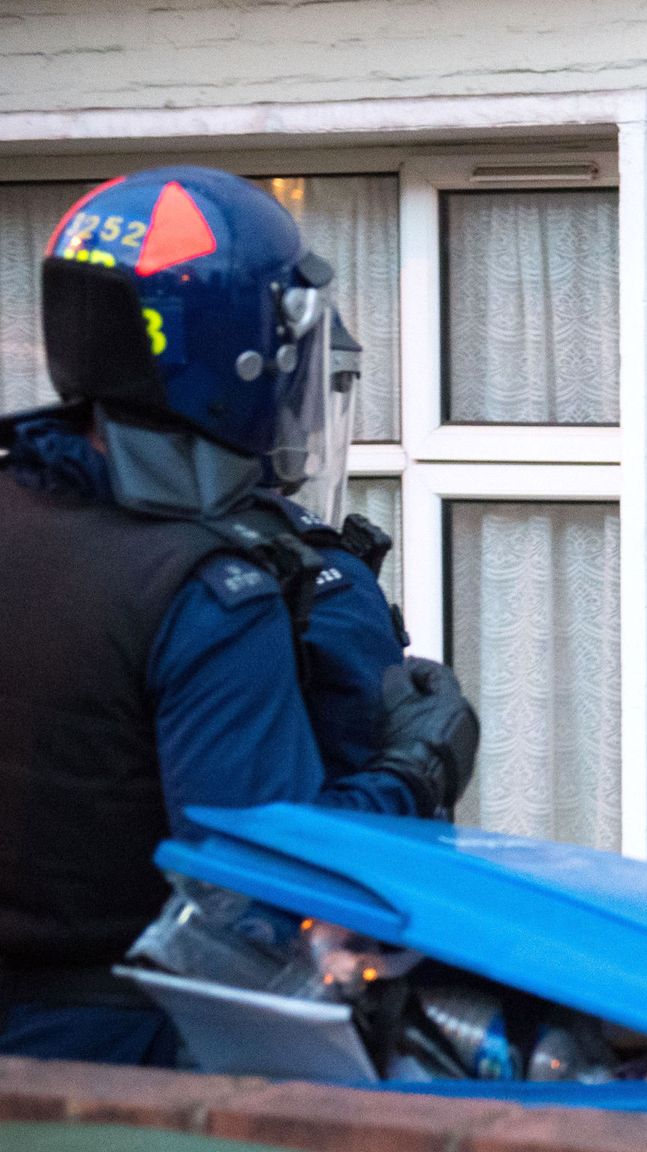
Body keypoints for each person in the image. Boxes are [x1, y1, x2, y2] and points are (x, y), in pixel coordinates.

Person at [0, 167, 479, 1066]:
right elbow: (261, 876)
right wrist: (419, 763)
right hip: (118, 1062)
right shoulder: (209, 590)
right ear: (239, 353)